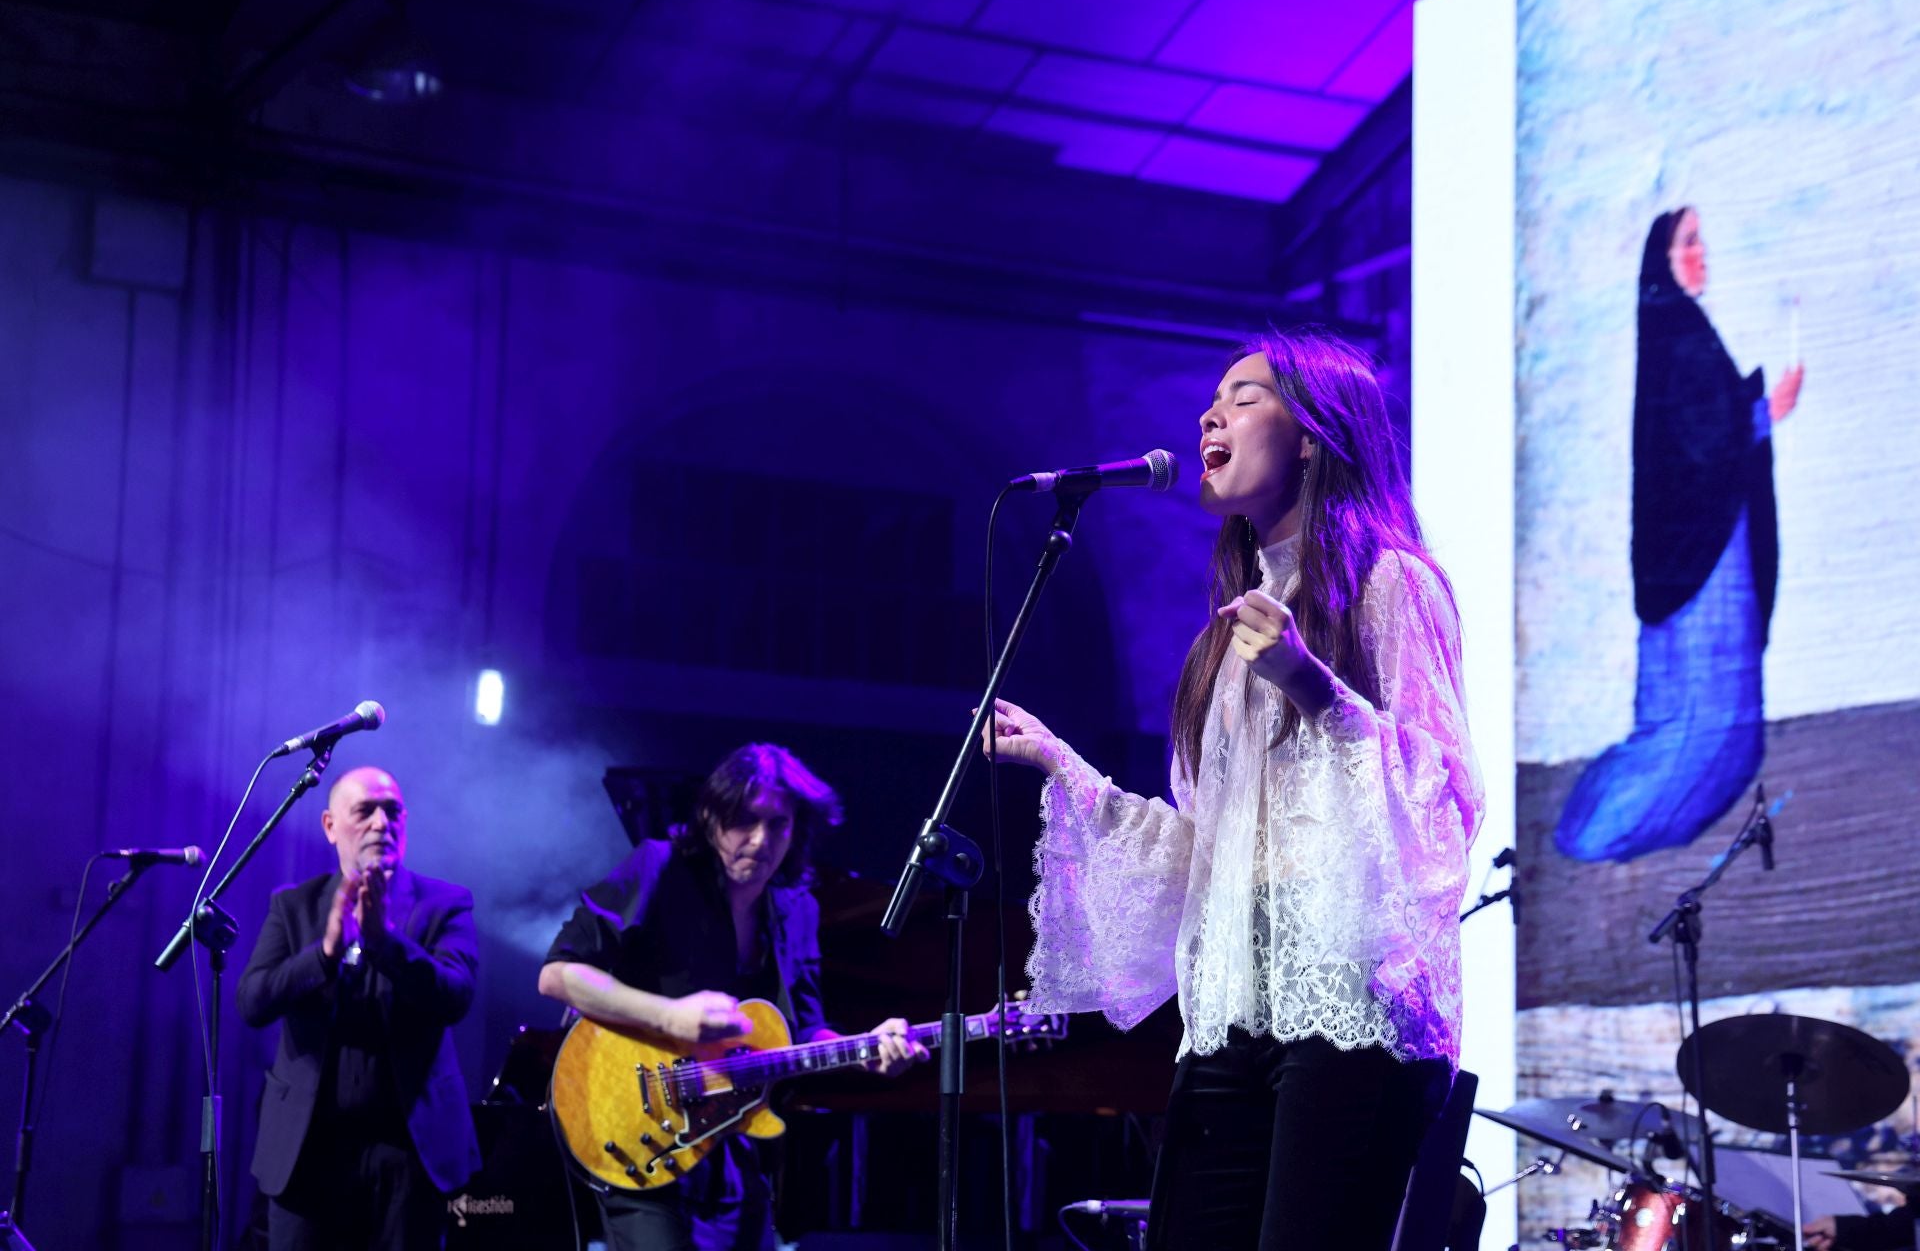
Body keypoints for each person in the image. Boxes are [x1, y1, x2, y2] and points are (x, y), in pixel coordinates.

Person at [986, 329, 1483, 1250]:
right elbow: (1207, 849)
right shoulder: (1222, 637)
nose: (1212, 413)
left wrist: (1313, 687)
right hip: (1233, 1008)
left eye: (1247, 395)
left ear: (1313, 435)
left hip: (1348, 1010)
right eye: (1214, 397)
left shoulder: (1392, 585)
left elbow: (1443, 795)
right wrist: (1069, 769)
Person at [537, 743, 927, 1251]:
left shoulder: (796, 910)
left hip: (731, 1150)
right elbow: (558, 975)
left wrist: (865, 1050)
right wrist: (670, 1016)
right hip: (633, 1121)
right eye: (745, 819)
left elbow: (805, 1032)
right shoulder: (659, 867)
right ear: (711, 815)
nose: (761, 840)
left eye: (779, 825)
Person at [1555, 206, 1804, 863]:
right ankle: (1603, 827)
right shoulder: (1681, 335)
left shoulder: (1680, 329)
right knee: (1699, 719)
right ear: (1662, 260)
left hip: (1707, 544)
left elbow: (1703, 436)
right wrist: (1763, 410)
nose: (1702, 254)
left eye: (1701, 243)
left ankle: (1615, 824)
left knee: (1711, 719)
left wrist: (1755, 411)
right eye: (1689, 243)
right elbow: (1700, 446)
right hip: (1704, 554)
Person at [237, 766, 481, 1250]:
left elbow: (455, 995)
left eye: (392, 812)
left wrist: (385, 943)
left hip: (409, 1152)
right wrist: (325, 952)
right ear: (330, 826)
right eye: (364, 811)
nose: (379, 823)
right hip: (309, 1152)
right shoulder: (294, 906)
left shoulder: (445, 903)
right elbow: (253, 1001)